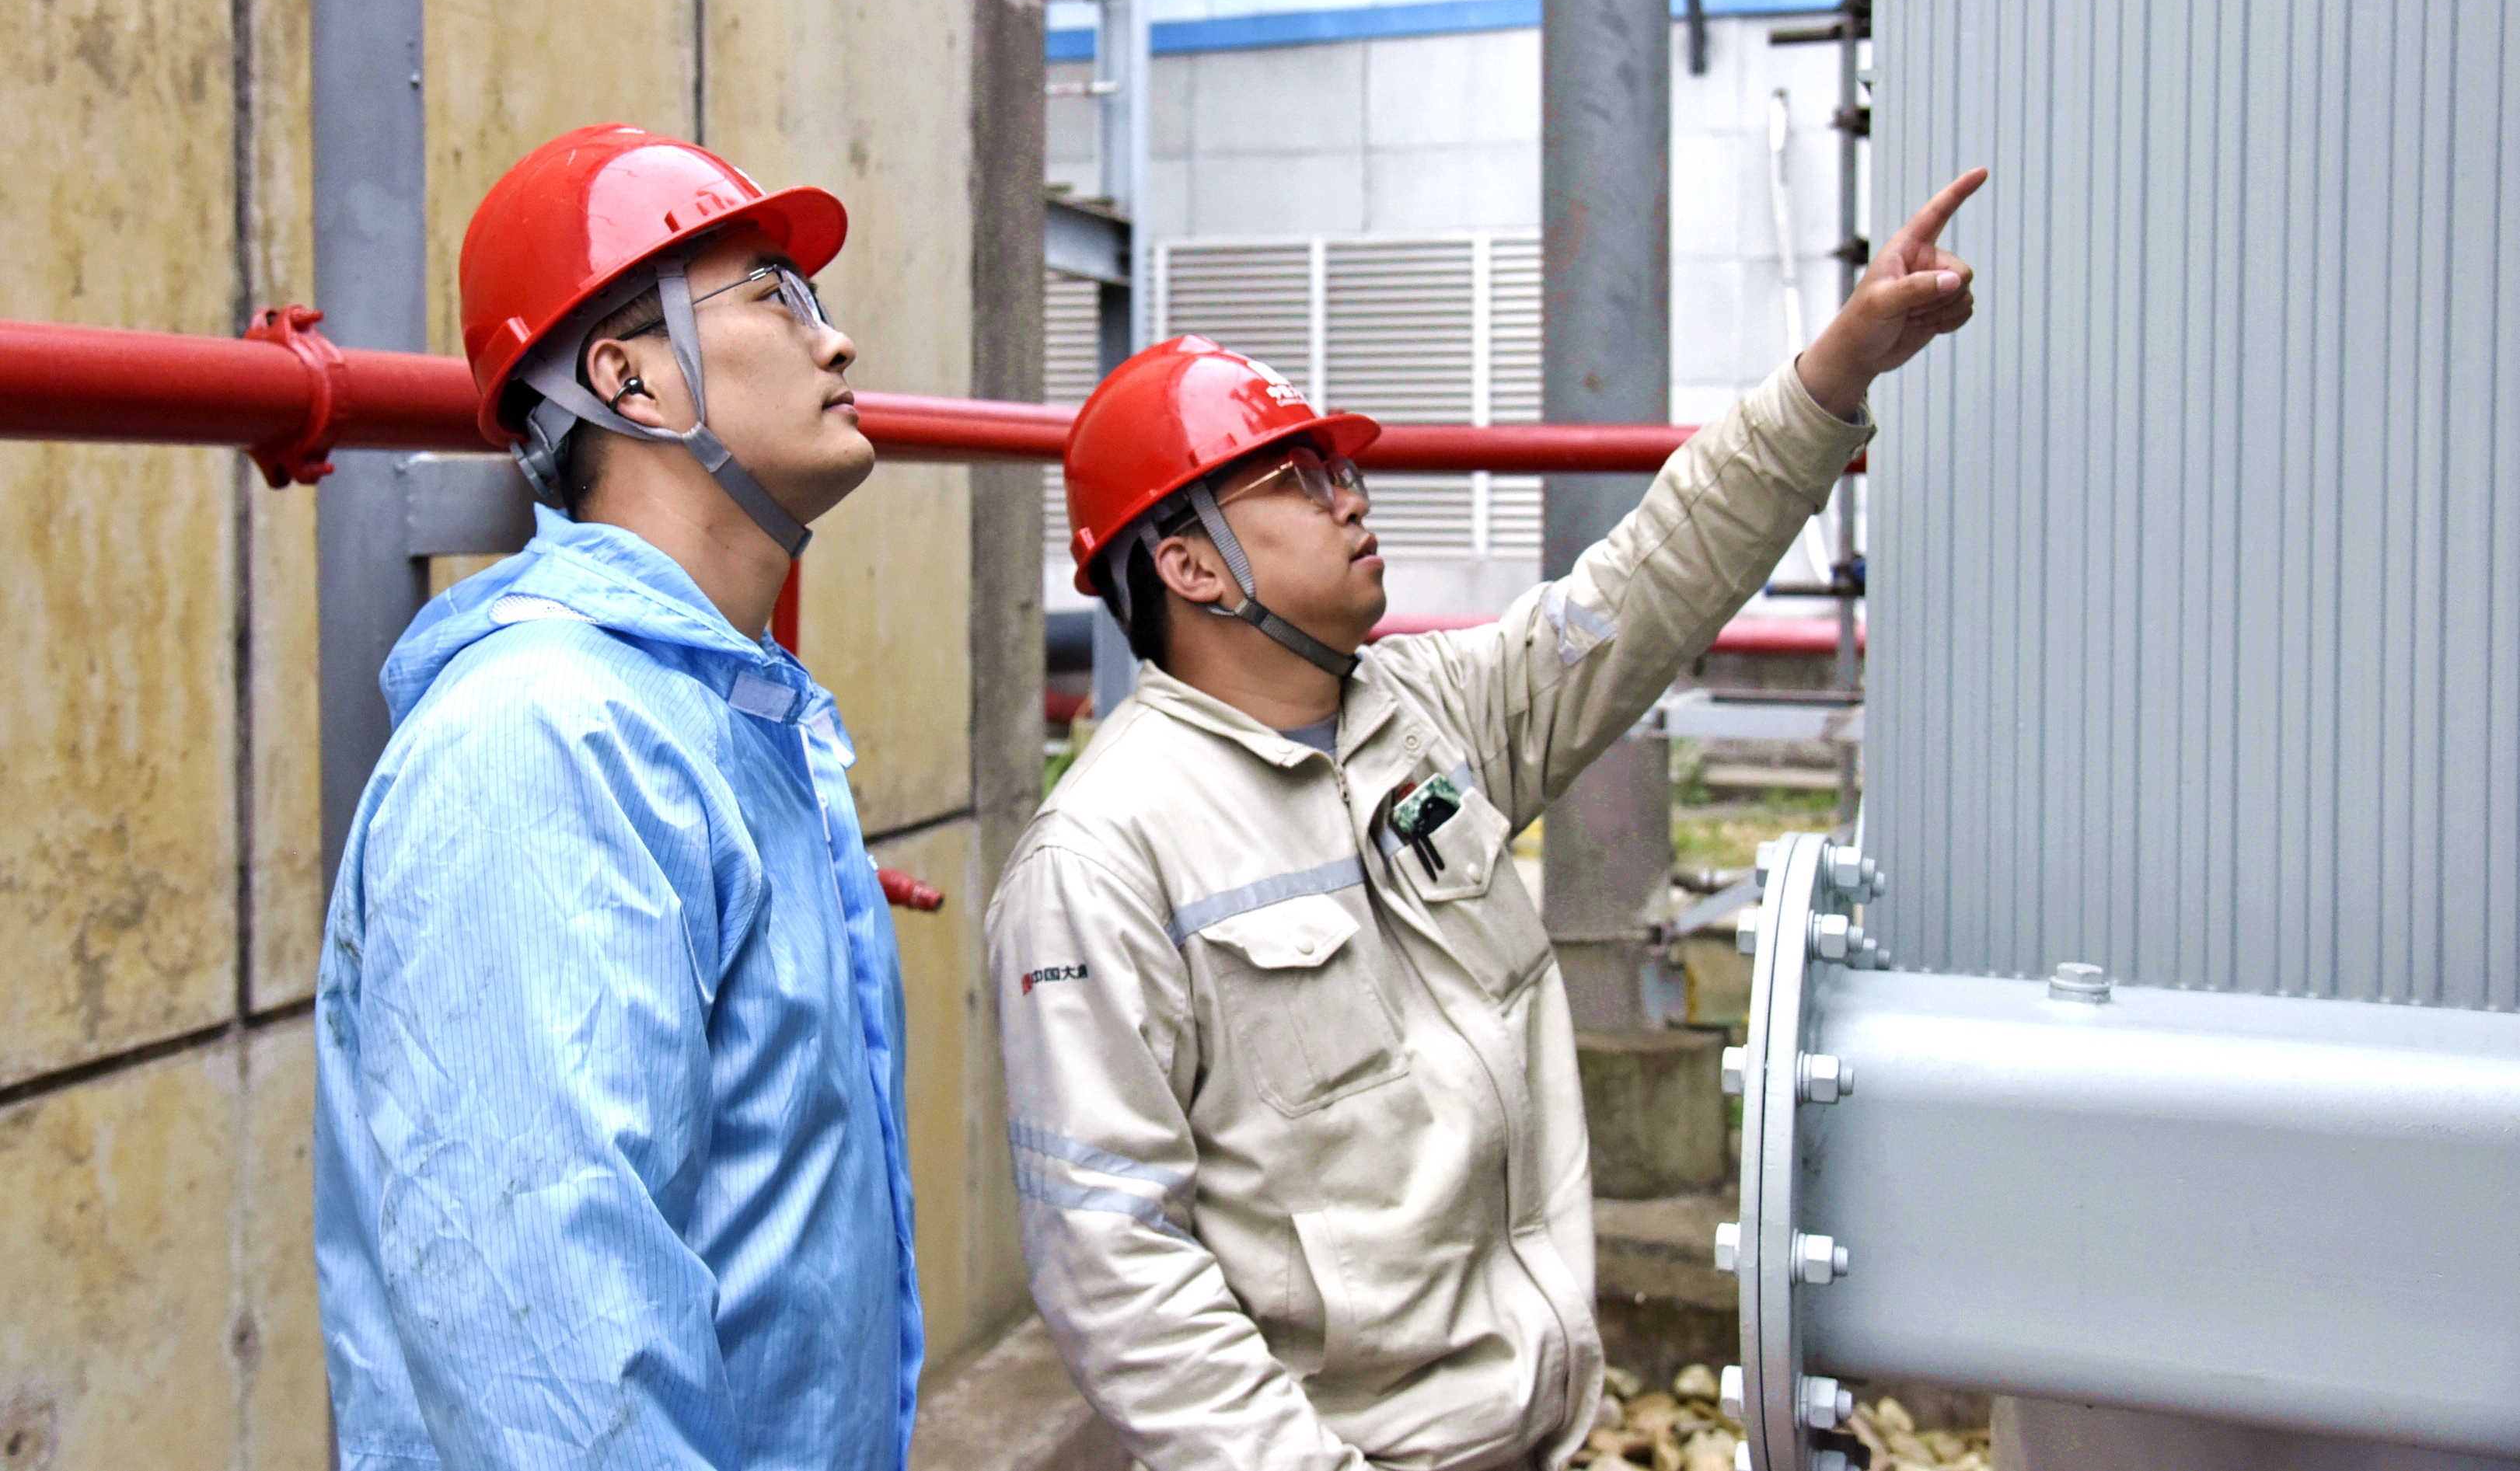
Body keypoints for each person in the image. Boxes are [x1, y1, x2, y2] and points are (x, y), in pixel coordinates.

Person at [987, 172, 1987, 1470]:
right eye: (1297, 479)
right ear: (1185, 565)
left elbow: (1650, 579)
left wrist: (1835, 370)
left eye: (1341, 468)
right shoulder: (1100, 858)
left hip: (1533, 1434)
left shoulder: (1430, 714)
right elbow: (1115, 1260)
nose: (1351, 497)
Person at [312, 125, 921, 1471]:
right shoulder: (547, 743)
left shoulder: (721, 712)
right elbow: (557, 1373)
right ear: (628, 377)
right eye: (776, 294)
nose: (835, 342)